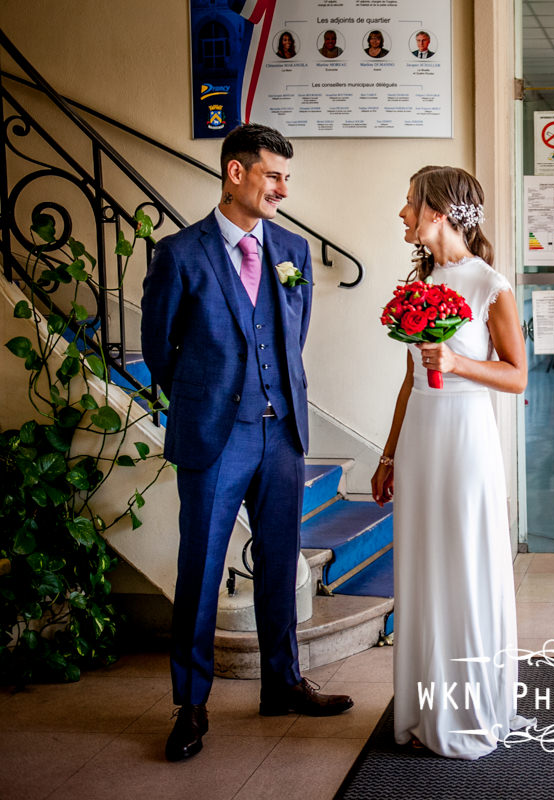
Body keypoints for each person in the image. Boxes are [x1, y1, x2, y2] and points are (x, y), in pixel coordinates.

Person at [141, 124, 353, 764]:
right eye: (273, 176)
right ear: (236, 173)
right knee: (201, 568)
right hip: (214, 435)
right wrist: (210, 401)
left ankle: (283, 684)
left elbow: (295, 332)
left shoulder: (291, 248)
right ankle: (191, 704)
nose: (283, 191)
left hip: (282, 432)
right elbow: (159, 351)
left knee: (281, 561)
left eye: (287, 178)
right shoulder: (180, 254)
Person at [371, 166, 529, 759]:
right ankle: (423, 707)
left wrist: (459, 364)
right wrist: (387, 454)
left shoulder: (490, 283)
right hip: (420, 439)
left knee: (462, 561)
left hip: (466, 440)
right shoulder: (424, 281)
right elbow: (411, 381)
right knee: (422, 566)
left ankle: (468, 707)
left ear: (438, 212)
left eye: (410, 203)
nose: (403, 213)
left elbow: (516, 377)